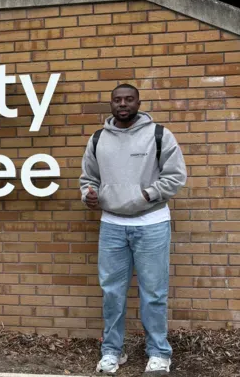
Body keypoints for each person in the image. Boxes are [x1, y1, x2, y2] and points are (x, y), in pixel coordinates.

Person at [79, 83, 187, 375]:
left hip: (152, 224)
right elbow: (88, 178)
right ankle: (113, 351)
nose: (123, 104)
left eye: (128, 99)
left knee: (153, 293)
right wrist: (89, 194)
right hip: (112, 225)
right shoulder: (99, 138)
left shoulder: (158, 134)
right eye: (117, 100)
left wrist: (146, 195)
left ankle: (159, 353)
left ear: (138, 102)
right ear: (111, 104)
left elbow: (176, 176)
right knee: (112, 293)